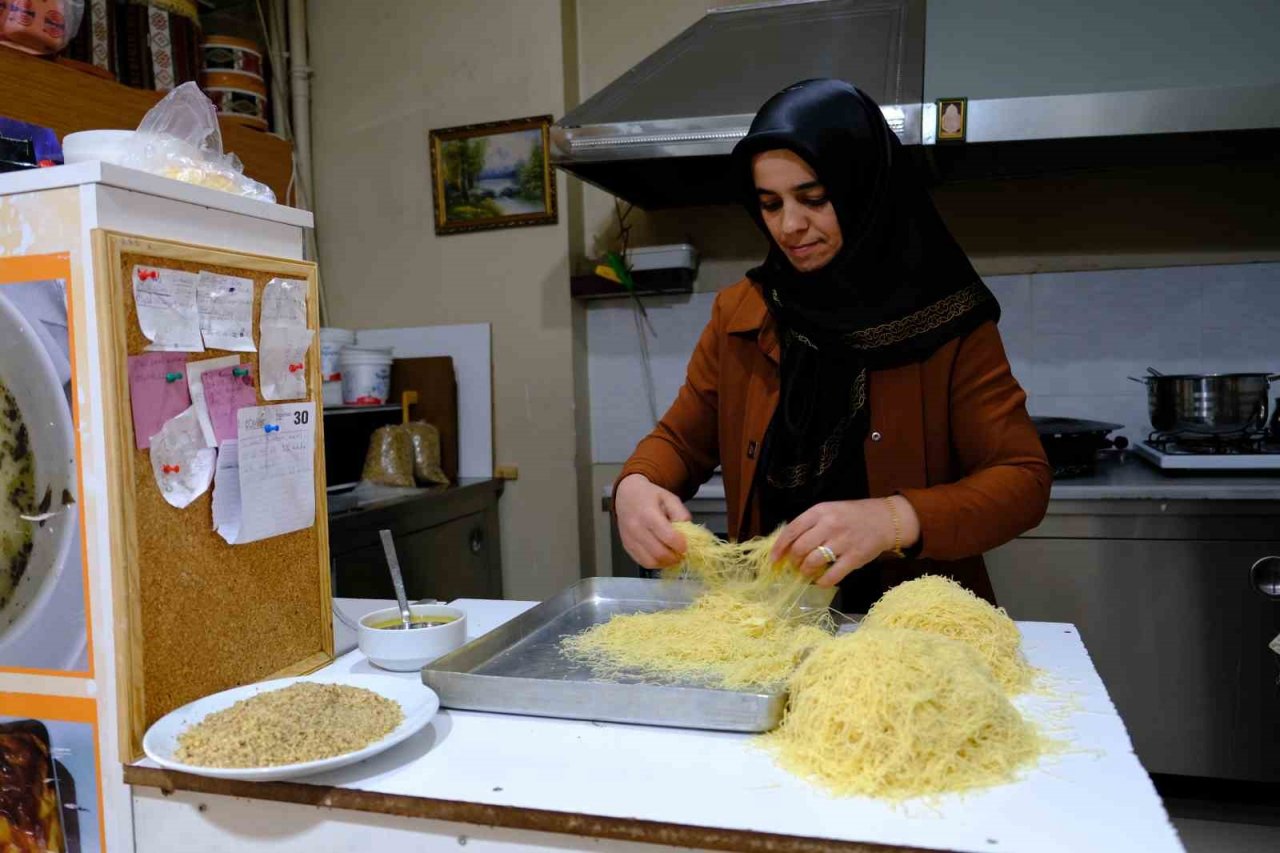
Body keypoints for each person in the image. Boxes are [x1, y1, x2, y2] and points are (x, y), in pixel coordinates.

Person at [612, 79, 1051, 611]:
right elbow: (680, 443)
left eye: (814, 198)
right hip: (772, 624)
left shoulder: (948, 318)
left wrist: (894, 518)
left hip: (911, 629)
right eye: (770, 205)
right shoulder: (743, 312)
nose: (790, 227)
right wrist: (636, 486)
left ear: (863, 189)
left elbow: (1022, 481)